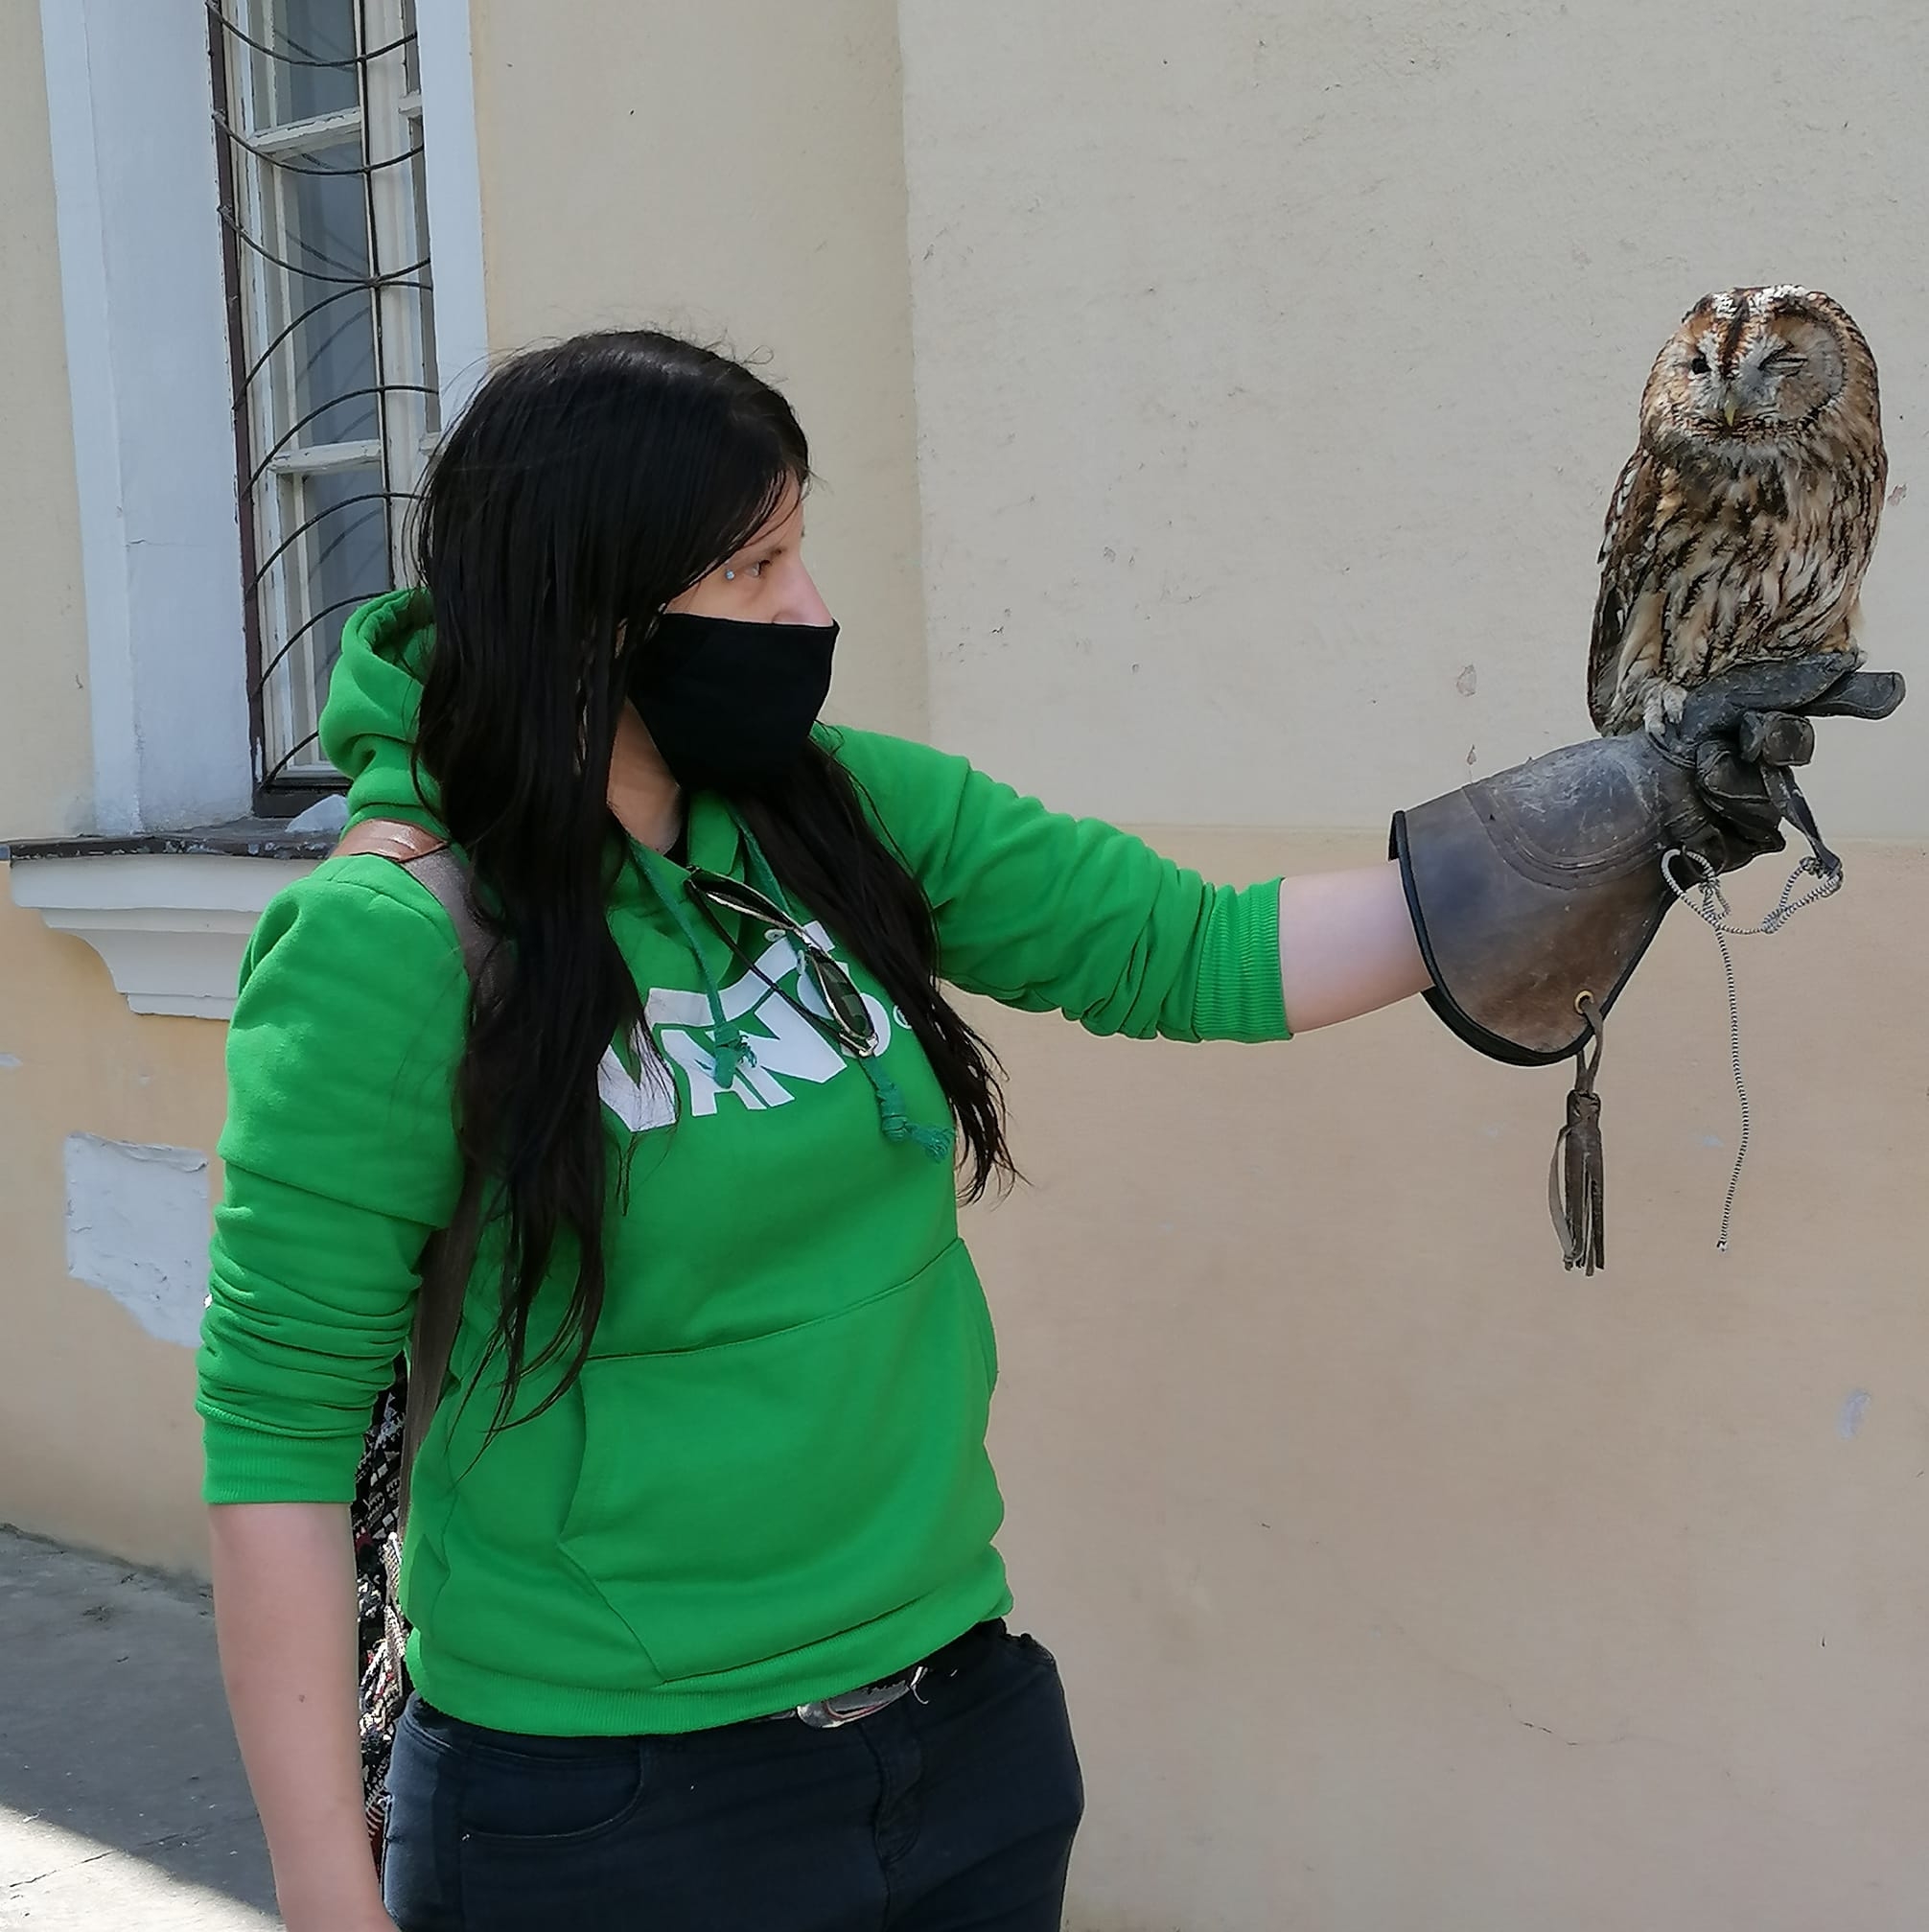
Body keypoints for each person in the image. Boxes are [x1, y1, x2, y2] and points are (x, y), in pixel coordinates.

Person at [197, 329, 1900, 1932]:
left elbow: (1201, 949)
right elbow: (276, 1441)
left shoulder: (836, 814)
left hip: (959, 1733)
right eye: (753, 573)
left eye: (802, 549)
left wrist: (1625, 809)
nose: (813, 608)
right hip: (606, 1800)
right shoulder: (395, 946)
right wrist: (333, 1904)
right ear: (592, 618)